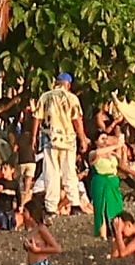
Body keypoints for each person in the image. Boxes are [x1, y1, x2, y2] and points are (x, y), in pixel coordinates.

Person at [31, 73, 90, 218]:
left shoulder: (45, 97)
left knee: (51, 172)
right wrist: (82, 138)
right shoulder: (72, 98)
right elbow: (77, 120)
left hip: (50, 139)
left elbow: (37, 118)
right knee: (69, 171)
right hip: (68, 139)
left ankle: (51, 207)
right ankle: (75, 203)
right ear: (68, 85)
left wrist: (34, 137)